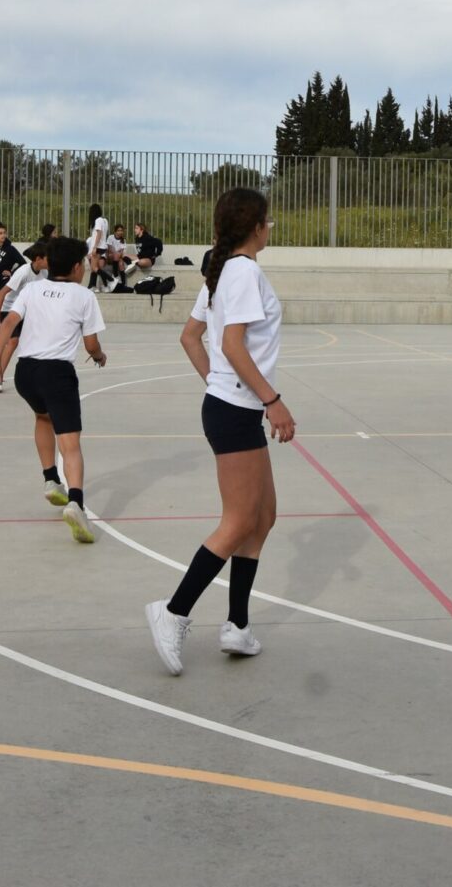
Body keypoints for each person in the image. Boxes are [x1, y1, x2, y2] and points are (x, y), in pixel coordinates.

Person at [147, 188, 292, 675]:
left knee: (263, 515)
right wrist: (271, 401)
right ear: (255, 226)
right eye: (268, 222)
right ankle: (173, 612)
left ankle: (237, 625)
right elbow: (232, 344)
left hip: (230, 405)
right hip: (238, 408)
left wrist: (220, 385)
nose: (271, 228)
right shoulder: (244, 271)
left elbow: (191, 337)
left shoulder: (222, 269)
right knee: (237, 521)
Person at [0, 237, 107, 544]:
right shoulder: (83, 296)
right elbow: (90, 344)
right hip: (57, 373)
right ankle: (76, 502)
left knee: (42, 418)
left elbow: (9, 321)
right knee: (71, 442)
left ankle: (51, 480)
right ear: (78, 267)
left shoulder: (33, 289)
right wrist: (100, 355)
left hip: (26, 372)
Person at [0, 239, 50, 392]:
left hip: (26, 311)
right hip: (9, 309)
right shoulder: (23, 272)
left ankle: (36, 377)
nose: (50, 260)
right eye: (47, 257)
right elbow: (2, 293)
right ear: (38, 259)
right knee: (13, 342)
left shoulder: (45, 273)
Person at [85, 203, 110, 290]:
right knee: (95, 267)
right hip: (102, 246)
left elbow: (99, 233)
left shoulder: (98, 220)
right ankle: (93, 286)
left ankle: (110, 280)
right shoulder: (104, 220)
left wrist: (95, 247)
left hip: (98, 247)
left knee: (94, 268)